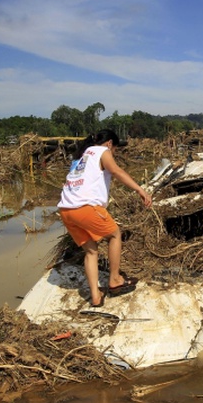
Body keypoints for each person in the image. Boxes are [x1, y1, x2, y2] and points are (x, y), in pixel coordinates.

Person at [58, 129, 152, 307]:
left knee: (91, 251)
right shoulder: (102, 151)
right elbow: (115, 171)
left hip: (65, 209)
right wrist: (140, 190)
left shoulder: (82, 155)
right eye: (115, 148)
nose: (113, 152)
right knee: (115, 234)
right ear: (109, 143)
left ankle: (95, 296)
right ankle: (115, 279)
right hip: (85, 207)